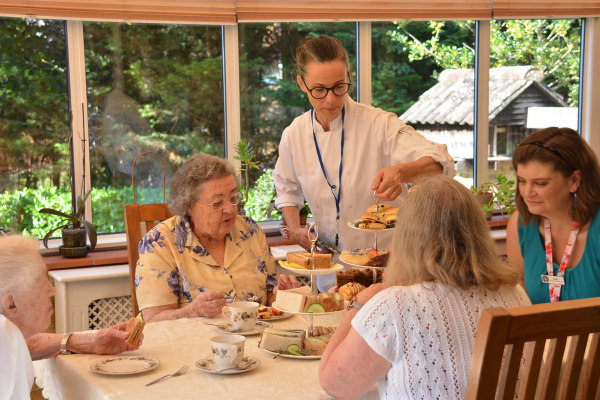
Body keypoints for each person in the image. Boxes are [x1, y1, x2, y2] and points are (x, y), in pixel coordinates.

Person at [319, 175, 531, 399]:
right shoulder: (515, 293)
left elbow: (335, 385)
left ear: (407, 236)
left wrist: (360, 303)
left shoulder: (394, 305)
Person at [272, 35, 455, 290]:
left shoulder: (378, 123)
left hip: (388, 270)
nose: (330, 99)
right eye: (319, 90)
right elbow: (287, 190)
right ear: (302, 84)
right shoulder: (294, 135)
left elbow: (442, 162)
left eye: (339, 86)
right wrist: (295, 230)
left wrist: (401, 172)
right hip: (330, 271)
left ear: (349, 76)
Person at [136, 153, 299, 323]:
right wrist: (193, 311)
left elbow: (269, 299)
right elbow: (153, 320)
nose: (229, 209)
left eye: (233, 198)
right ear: (189, 205)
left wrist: (283, 295)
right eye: (217, 203)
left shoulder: (251, 231)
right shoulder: (159, 243)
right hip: (196, 346)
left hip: (255, 342)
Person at [0, 235, 140, 399]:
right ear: (11, 304)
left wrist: (90, 342)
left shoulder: (9, 338)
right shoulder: (5, 335)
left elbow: (26, 345)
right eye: (40, 279)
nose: (51, 290)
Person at [506, 127, 600, 304]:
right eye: (522, 181)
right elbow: (523, 303)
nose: (527, 192)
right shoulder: (519, 224)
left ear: (574, 180)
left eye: (540, 183)